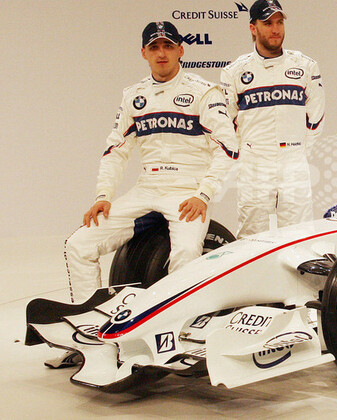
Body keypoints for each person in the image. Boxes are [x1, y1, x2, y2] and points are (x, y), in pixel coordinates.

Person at [64, 21, 239, 305]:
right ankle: (90, 319)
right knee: (78, 245)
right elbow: (116, 150)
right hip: (146, 189)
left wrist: (204, 194)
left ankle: (179, 323)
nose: (161, 53)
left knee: (185, 254)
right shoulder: (134, 95)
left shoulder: (205, 92)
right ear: (144, 53)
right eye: (154, 47)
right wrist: (103, 196)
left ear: (180, 50)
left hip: (188, 191)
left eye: (168, 46)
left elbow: (228, 147)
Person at [220, 0, 325, 237]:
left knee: (299, 235)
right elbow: (227, 123)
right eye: (267, 23)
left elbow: (316, 119)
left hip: (294, 160)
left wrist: (298, 152)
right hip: (254, 162)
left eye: (279, 22)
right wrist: (249, 153)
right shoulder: (234, 71)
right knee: (251, 238)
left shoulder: (306, 66)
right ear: (253, 28)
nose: (275, 29)